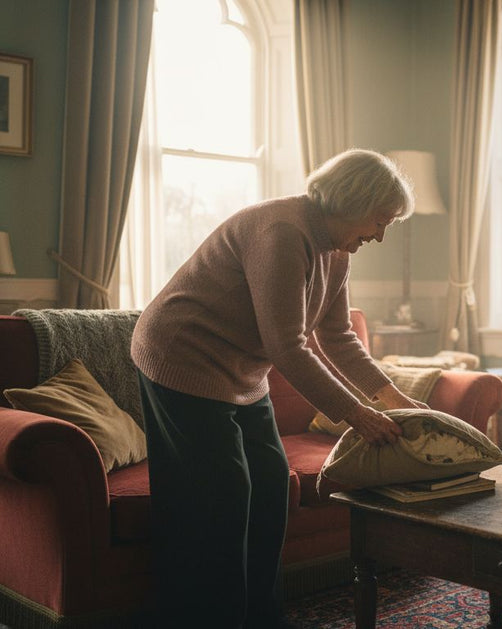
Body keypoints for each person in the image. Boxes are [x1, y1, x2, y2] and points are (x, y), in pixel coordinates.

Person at [131, 149, 427, 628]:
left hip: (240, 372)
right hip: (180, 356)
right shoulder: (283, 232)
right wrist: (357, 413)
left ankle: (260, 616)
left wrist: (391, 397)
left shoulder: (336, 249)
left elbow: (337, 336)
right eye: (380, 220)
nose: (379, 234)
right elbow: (289, 348)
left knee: (271, 486)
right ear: (353, 201)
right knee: (221, 499)